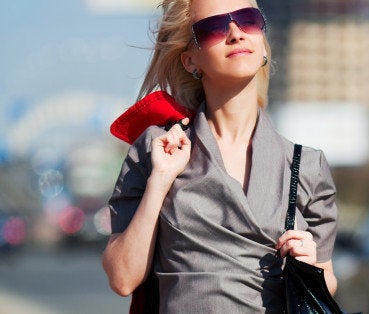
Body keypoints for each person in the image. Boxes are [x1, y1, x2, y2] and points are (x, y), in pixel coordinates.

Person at [101, 0, 339, 313]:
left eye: (248, 20)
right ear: (190, 61)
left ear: (263, 45)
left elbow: (328, 282)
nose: (236, 33)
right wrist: (159, 181)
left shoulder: (307, 165)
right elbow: (122, 278)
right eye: (213, 28)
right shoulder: (157, 149)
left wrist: (309, 266)